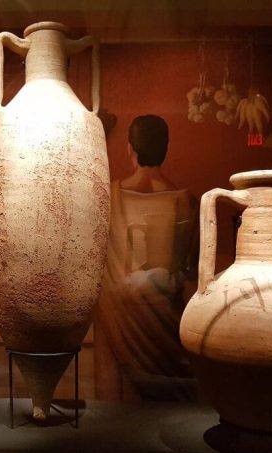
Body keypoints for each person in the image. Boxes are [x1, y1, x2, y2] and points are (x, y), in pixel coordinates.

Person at [97, 115, 199, 400]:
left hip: (121, 325)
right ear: (166, 148)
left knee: (120, 408)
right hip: (166, 330)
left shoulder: (110, 197)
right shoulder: (185, 203)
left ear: (130, 149)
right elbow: (191, 271)